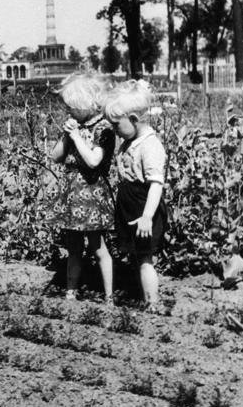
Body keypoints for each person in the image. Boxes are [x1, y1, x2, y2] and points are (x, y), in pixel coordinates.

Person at [50, 72, 116, 304]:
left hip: (91, 194)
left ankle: (109, 295)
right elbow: (55, 156)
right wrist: (66, 136)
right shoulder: (74, 127)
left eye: (72, 107)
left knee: (98, 247)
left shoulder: (104, 129)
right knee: (74, 247)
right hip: (73, 195)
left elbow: (93, 161)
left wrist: (76, 137)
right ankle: (71, 290)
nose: (68, 111)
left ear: (87, 104)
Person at [103, 79, 168, 312]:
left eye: (116, 125)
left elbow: (156, 184)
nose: (114, 130)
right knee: (136, 257)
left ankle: (152, 303)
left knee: (144, 259)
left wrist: (147, 216)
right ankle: (140, 295)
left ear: (133, 120)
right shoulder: (131, 140)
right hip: (131, 208)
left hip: (143, 210)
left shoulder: (150, 146)